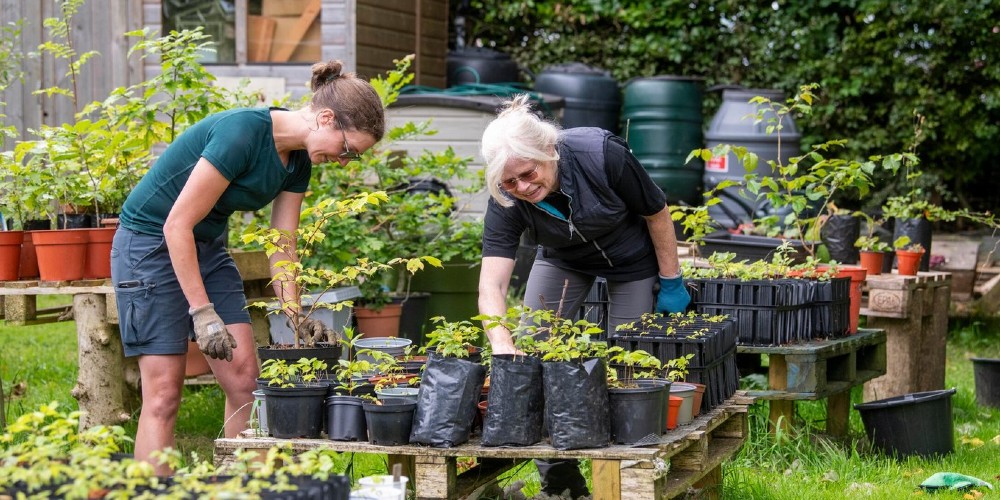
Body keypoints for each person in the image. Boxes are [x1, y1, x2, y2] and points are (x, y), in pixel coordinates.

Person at [111, 60, 384, 475]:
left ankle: (236, 486)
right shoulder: (241, 133)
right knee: (164, 393)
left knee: (243, 382)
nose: (346, 161)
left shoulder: (298, 162)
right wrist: (202, 313)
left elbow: (282, 244)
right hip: (150, 244)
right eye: (348, 149)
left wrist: (297, 318)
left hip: (206, 245)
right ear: (326, 118)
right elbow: (176, 224)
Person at [477, 95, 691, 498]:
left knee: (629, 361)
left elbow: (656, 212)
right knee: (536, 348)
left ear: (548, 151)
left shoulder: (600, 154)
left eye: (527, 174)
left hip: (631, 260)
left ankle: (631, 481)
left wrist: (671, 279)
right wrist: (502, 344)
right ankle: (561, 483)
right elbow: (492, 284)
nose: (522, 188)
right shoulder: (506, 198)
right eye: (509, 182)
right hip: (563, 260)